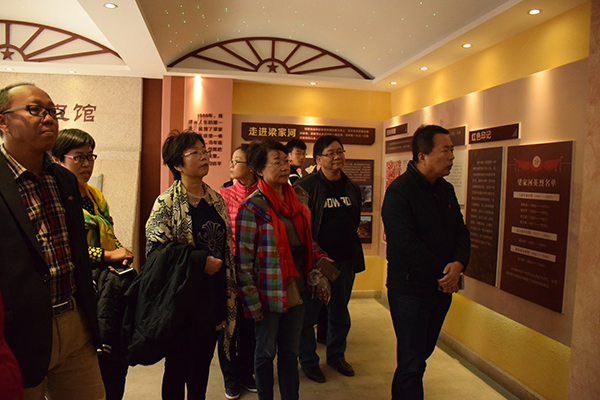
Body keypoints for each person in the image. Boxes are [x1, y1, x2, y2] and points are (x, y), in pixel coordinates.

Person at [0, 82, 104, 399]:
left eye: (52, 111)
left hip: (75, 323)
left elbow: (77, 251)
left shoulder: (64, 180)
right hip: (18, 331)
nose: (48, 118)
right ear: (3, 122)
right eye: (34, 110)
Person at [145, 129, 237, 400]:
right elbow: (155, 254)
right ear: (177, 164)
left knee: (201, 366)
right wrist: (198, 263)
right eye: (194, 152)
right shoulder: (166, 203)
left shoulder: (216, 199)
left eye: (204, 150)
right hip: (182, 300)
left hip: (214, 295)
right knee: (177, 367)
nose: (203, 156)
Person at [381, 124, 470, 400]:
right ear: (423, 156)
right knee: (411, 361)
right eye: (446, 150)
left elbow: (461, 232)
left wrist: (458, 263)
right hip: (410, 291)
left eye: (452, 150)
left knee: (420, 356)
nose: (452, 156)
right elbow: (405, 245)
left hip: (441, 289)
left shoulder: (445, 189)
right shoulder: (399, 192)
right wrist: (445, 273)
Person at [236, 139, 328, 400]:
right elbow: (243, 261)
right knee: (265, 352)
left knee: (290, 351)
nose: (285, 167)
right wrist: (252, 304)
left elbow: (305, 240)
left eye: (286, 161)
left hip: (297, 288)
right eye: (277, 162)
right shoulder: (252, 207)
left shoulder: (298, 198)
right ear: (259, 169)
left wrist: (319, 256)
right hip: (267, 292)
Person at [51, 128, 135, 400]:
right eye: (79, 157)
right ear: (57, 159)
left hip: (107, 285)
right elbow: (66, 249)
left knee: (114, 357)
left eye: (90, 156)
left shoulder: (95, 195)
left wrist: (121, 253)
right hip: (77, 290)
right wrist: (107, 256)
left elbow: (109, 231)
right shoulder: (57, 199)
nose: (87, 163)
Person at [295, 135, 365, 383]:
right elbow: (299, 226)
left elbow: (354, 220)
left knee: (340, 314)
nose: (338, 157)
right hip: (316, 263)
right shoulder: (305, 187)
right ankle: (309, 362)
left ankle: (336, 357)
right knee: (308, 317)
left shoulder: (351, 187)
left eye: (340, 151)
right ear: (318, 159)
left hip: (345, 261)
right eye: (331, 153)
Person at [217, 144, 259, 400]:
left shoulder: (263, 195)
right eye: (231, 161)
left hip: (256, 273)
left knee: (251, 328)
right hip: (229, 273)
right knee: (228, 329)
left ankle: (246, 373)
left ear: (252, 166)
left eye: (237, 161)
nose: (231, 165)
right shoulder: (222, 195)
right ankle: (230, 378)